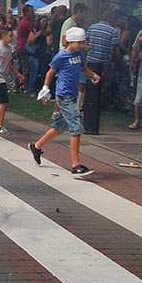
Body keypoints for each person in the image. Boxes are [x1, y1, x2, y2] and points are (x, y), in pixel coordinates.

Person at [27, 27, 100, 178]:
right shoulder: (61, 56)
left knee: (59, 126)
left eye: (82, 42)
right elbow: (50, 72)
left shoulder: (79, 54)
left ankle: (36, 146)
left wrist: (92, 75)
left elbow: (83, 68)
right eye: (78, 42)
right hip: (64, 95)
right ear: (69, 42)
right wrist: (45, 89)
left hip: (72, 94)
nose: (81, 45)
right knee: (76, 127)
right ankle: (75, 164)